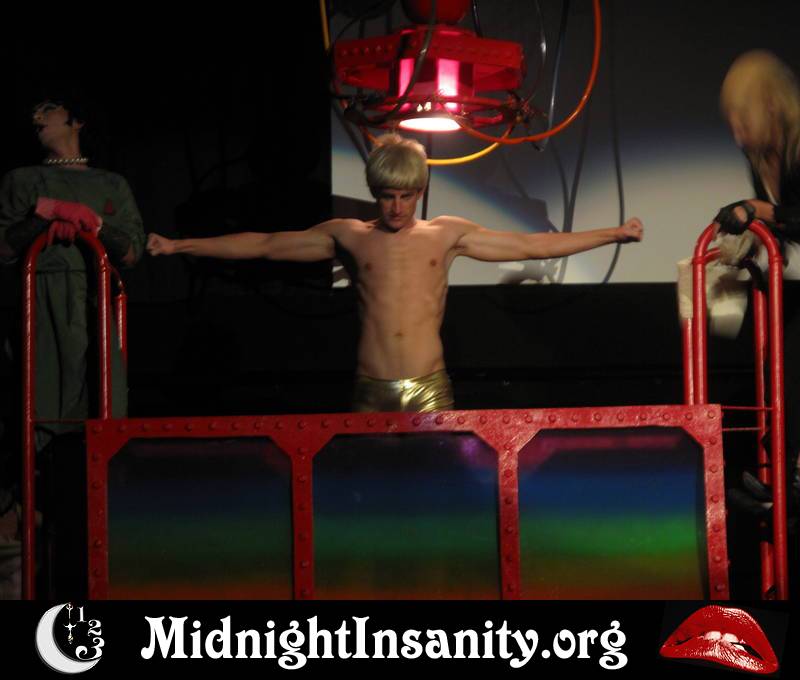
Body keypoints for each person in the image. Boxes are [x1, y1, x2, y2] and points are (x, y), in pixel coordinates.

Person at [147, 133, 643, 412]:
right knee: (371, 491)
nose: (397, 207)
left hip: (430, 385)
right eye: (388, 196)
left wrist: (614, 234)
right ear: (376, 192)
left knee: (436, 491)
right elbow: (266, 245)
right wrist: (178, 245)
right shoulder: (350, 235)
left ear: (420, 192)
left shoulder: (445, 234)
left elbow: (530, 244)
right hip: (370, 385)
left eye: (407, 196)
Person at [0, 93, 145, 598]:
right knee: (36, 403)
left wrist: (94, 223)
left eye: (50, 110)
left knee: (101, 404)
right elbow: (4, 245)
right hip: (39, 301)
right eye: (33, 113)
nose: (37, 117)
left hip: (91, 302)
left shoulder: (111, 184)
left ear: (77, 120)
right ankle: (30, 516)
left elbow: (133, 250)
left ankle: (100, 527)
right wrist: (44, 216)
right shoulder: (22, 180)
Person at [712, 50, 800, 523]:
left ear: (768, 105)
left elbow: (786, 216)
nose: (736, 131)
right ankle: (783, 482)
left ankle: (790, 484)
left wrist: (760, 211)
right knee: (780, 367)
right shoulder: (762, 158)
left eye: (741, 118)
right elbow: (780, 228)